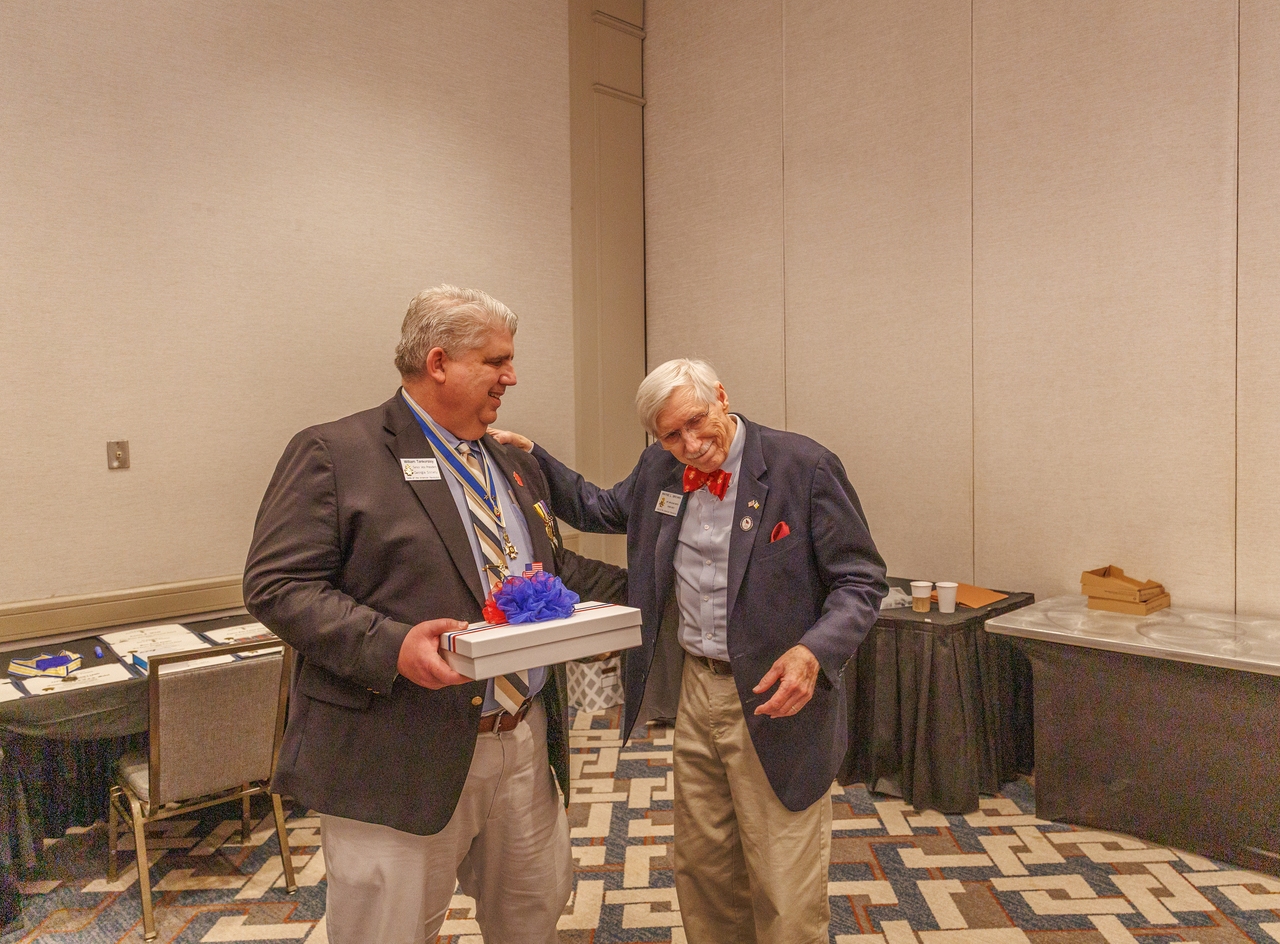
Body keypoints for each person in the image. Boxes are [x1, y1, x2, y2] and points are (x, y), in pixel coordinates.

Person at [244, 285, 626, 944]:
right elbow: (277, 585)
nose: (511, 376)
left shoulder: (511, 461)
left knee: (533, 915)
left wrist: (665, 587)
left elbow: (551, 570)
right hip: (397, 750)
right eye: (496, 361)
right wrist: (392, 646)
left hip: (523, 739)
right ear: (439, 361)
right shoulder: (336, 453)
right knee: (386, 932)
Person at [493, 357, 886, 944]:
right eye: (671, 435)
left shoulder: (803, 467)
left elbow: (861, 580)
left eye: (697, 422)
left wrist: (813, 652)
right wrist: (533, 456)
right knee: (705, 867)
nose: (692, 445)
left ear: (721, 396)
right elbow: (600, 508)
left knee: (783, 878)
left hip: (776, 693)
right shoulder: (662, 467)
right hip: (697, 688)